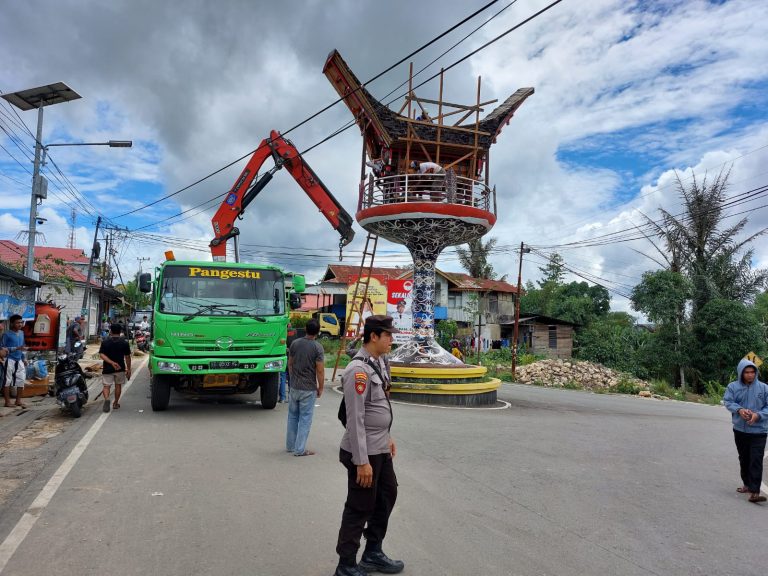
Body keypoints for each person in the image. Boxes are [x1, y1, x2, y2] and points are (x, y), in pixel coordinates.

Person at [334, 315, 404, 576]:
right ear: (373, 336)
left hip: (380, 446)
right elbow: (355, 419)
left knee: (387, 495)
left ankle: (373, 551)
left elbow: (379, 406)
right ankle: (346, 565)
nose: (391, 340)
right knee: (359, 505)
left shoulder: (379, 362)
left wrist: (388, 436)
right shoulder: (357, 371)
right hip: (363, 451)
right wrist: (361, 461)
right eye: (388, 335)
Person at [723, 358, 768, 503]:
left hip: (759, 431)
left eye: (752, 372)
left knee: (756, 460)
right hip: (740, 430)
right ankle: (747, 484)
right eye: (747, 372)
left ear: (756, 373)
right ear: (741, 373)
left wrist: (757, 415)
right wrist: (739, 410)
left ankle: (755, 492)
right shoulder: (733, 387)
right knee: (744, 458)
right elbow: (728, 401)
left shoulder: (764, 388)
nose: (750, 375)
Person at [286, 318, 324, 457]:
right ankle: (300, 449)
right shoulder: (317, 347)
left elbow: (290, 363)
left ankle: (290, 446)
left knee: (292, 416)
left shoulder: (295, 343)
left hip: (294, 386)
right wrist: (321, 387)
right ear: (317, 332)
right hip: (308, 388)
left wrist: (292, 378)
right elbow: (320, 370)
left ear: (305, 329)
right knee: (305, 418)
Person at [98, 323, 132, 412]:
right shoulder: (124, 343)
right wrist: (129, 369)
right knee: (118, 386)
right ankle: (116, 403)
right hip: (120, 368)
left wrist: (111, 362)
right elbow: (127, 357)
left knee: (106, 386)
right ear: (120, 331)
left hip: (107, 368)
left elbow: (101, 355)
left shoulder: (105, 342)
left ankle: (106, 399)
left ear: (111, 331)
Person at [2, 315, 27, 409]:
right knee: (7, 380)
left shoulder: (22, 333)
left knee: (21, 379)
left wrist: (24, 358)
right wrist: (16, 348)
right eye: (18, 322)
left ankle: (18, 400)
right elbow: (2, 348)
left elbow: (22, 346)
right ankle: (7, 402)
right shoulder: (6, 334)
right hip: (9, 359)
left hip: (19, 359)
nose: (20, 324)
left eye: (21, 322)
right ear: (12, 323)